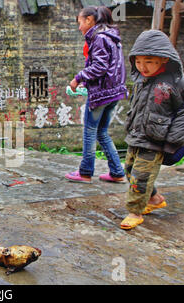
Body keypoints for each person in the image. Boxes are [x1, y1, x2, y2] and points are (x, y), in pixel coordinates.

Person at [120, 30, 184, 229]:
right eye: (138, 61)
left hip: (156, 140)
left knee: (140, 176)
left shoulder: (177, 83)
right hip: (137, 136)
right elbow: (136, 106)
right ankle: (154, 199)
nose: (143, 67)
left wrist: (173, 139)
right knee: (128, 170)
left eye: (149, 61)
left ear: (163, 59)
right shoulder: (141, 79)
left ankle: (135, 212)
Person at [65, 6, 127, 184]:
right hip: (114, 92)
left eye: (80, 22)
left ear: (90, 20)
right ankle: (117, 171)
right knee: (102, 132)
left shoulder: (99, 38)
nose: (79, 27)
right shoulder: (112, 37)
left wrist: (78, 78)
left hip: (102, 94)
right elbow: (109, 67)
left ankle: (85, 172)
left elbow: (100, 67)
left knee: (90, 131)